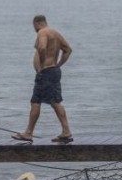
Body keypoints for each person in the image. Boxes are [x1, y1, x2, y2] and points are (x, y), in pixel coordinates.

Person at [11, 14, 74, 143]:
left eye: (34, 26)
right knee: (41, 101)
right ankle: (31, 132)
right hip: (52, 71)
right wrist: (59, 64)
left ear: (38, 23)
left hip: (46, 73)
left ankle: (64, 131)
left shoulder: (42, 32)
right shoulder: (55, 33)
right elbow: (68, 50)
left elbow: (42, 47)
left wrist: (43, 63)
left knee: (51, 102)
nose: (34, 29)